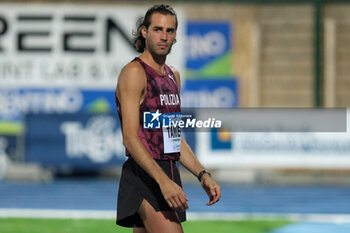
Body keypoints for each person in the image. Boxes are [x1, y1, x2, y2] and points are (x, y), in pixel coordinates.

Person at [115, 4, 221, 233]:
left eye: (170, 31)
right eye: (157, 29)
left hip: (166, 170)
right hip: (144, 174)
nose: (164, 37)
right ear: (144, 31)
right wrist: (163, 182)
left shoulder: (174, 77)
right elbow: (131, 139)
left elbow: (173, 139)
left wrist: (203, 175)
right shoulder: (134, 73)